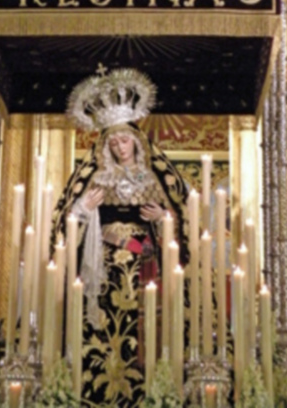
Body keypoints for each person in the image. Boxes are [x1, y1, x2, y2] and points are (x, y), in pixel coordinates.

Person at [52, 68, 189, 408]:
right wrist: (84, 208)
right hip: (105, 269)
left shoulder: (155, 178)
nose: (119, 147)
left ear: (136, 141)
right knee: (104, 330)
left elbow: (183, 220)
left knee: (146, 327)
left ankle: (148, 393)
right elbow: (66, 223)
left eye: (124, 141)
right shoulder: (96, 178)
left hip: (146, 266)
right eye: (113, 143)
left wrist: (163, 218)